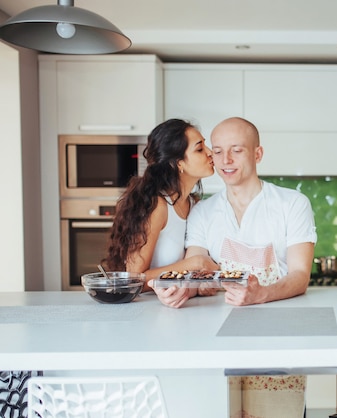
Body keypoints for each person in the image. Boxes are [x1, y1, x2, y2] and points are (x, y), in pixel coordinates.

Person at [150, 116, 317, 418]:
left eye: (237, 150)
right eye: (217, 150)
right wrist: (179, 292)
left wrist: (260, 294)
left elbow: (300, 276)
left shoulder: (292, 204)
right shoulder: (203, 212)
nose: (225, 160)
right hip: (214, 343)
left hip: (276, 343)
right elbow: (197, 274)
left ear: (257, 154)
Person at [103, 118, 218, 290]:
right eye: (200, 149)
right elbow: (133, 280)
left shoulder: (194, 204)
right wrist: (193, 263)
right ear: (178, 163)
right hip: (147, 308)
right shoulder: (158, 206)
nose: (210, 153)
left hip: (179, 305)